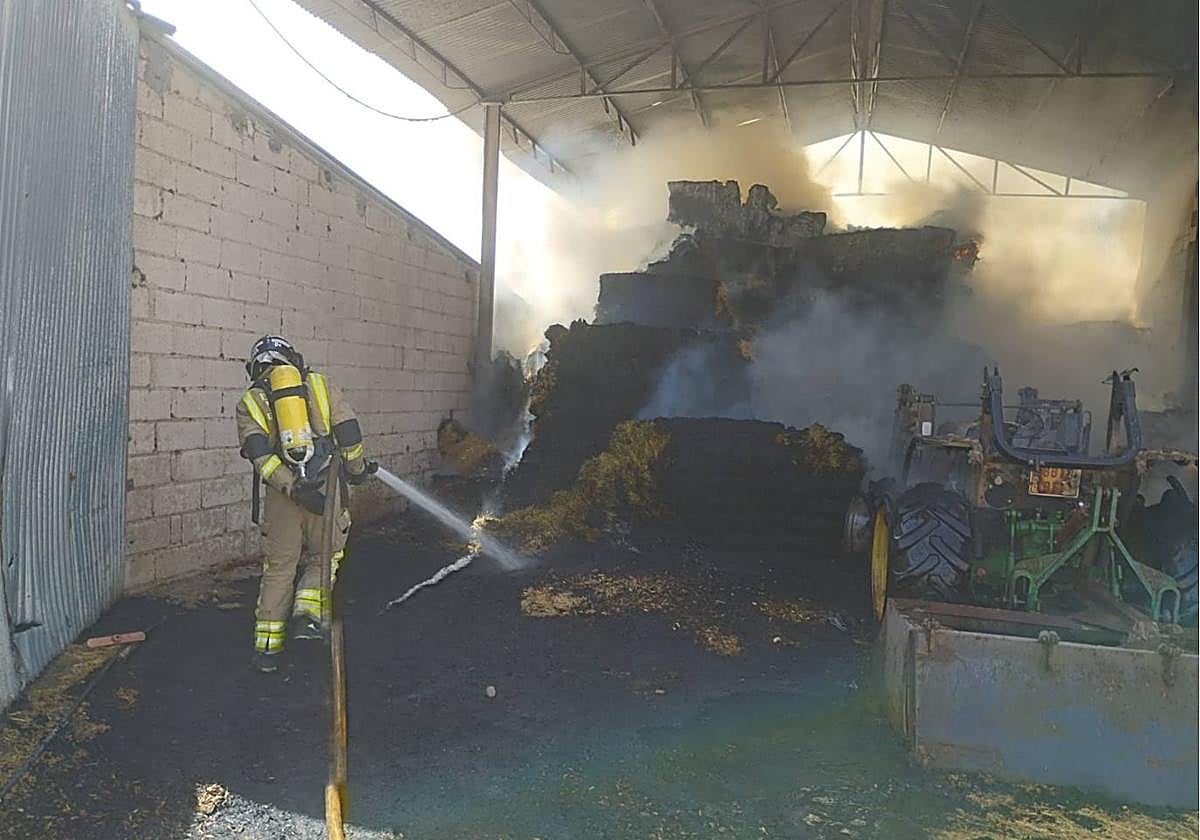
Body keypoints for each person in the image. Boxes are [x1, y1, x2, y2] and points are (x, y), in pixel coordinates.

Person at [236, 335, 376, 672]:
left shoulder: (251, 401)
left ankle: (267, 651)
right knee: (326, 557)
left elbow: (260, 457)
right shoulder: (320, 385)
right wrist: (356, 472)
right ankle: (307, 616)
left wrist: (293, 487)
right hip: (328, 491)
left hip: (283, 497)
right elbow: (349, 434)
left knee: (279, 568)